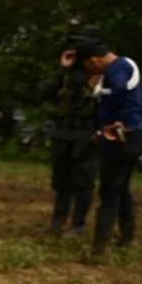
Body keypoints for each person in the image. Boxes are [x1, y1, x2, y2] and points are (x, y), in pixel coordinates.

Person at [77, 38, 142, 257]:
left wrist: (109, 125)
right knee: (121, 188)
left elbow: (118, 92)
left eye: (87, 67)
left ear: (94, 60)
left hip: (121, 136)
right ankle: (126, 238)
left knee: (109, 192)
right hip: (134, 134)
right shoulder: (125, 65)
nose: (89, 72)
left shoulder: (116, 70)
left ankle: (99, 248)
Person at [42, 29, 100, 234]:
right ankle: (58, 221)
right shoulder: (66, 72)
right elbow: (46, 92)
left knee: (83, 181)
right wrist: (62, 69)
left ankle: (78, 224)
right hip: (63, 130)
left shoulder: (99, 73)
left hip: (86, 132)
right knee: (61, 179)